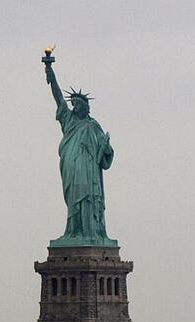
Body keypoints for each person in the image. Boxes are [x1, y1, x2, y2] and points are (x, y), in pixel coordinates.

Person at [44, 63, 116, 247]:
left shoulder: (93, 126)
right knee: (74, 198)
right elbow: (58, 98)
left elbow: (105, 154)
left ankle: (91, 232)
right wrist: (50, 73)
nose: (74, 108)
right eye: (73, 105)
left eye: (77, 105)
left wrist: (107, 148)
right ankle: (74, 231)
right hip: (71, 165)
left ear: (85, 107)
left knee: (89, 197)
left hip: (89, 169)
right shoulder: (68, 120)